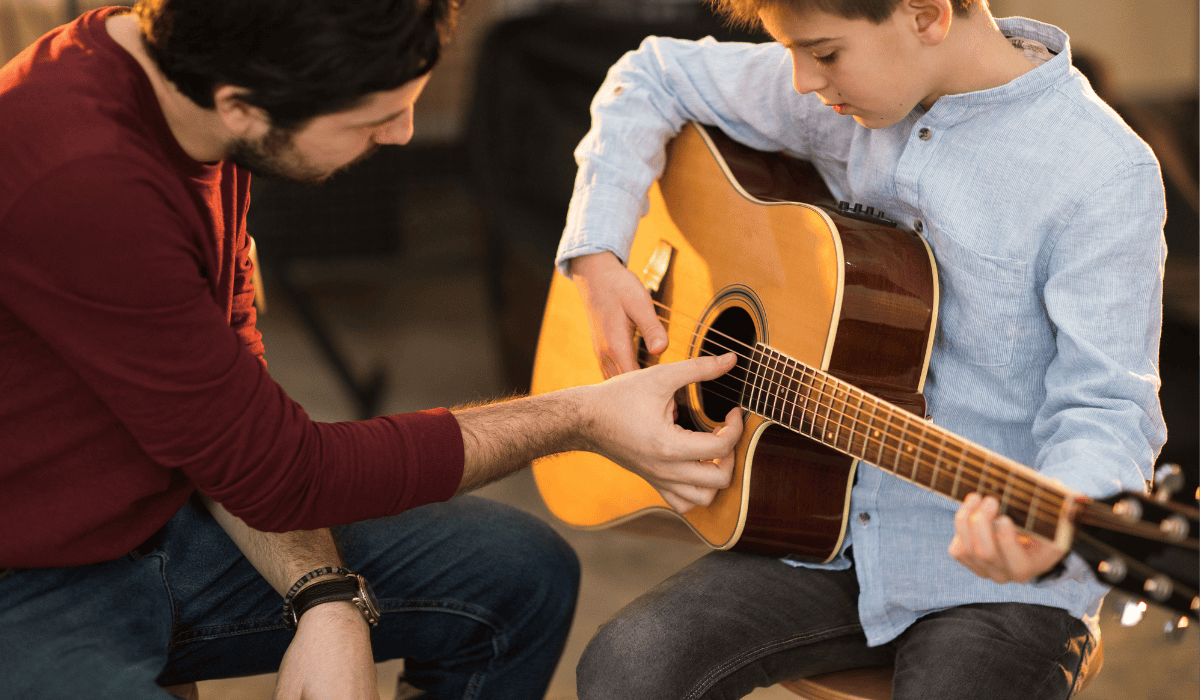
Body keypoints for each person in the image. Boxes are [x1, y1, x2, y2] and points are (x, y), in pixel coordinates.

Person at [0, 1, 745, 698]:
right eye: (377, 116)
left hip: (157, 516)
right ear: (241, 106)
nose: (404, 135)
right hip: (29, 574)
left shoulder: (199, 92)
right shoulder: (82, 177)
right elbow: (290, 472)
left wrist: (324, 593)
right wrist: (579, 418)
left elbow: (238, 429)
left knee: (522, 573)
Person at [555, 0, 1167, 698]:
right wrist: (600, 250)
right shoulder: (848, 93)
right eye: (791, 52)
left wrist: (1056, 524)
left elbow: (1110, 405)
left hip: (998, 580)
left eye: (823, 54)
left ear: (927, 15)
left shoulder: (1101, 171)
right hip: (830, 532)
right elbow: (653, 73)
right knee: (627, 666)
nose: (803, 81)